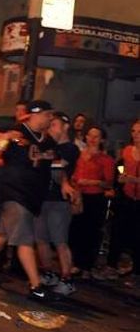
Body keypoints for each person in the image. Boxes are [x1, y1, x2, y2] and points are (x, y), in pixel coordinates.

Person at [0, 100, 57, 301]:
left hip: (32, 196)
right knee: (25, 241)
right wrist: (6, 137)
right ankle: (36, 286)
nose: (50, 119)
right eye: (47, 115)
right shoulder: (18, 131)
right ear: (36, 114)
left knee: (1, 234)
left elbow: (53, 165)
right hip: (15, 193)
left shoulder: (48, 141)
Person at [34, 111, 80, 296]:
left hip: (59, 201)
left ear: (65, 126)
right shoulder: (47, 145)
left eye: (54, 125)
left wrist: (44, 157)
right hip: (42, 198)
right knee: (41, 240)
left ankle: (67, 279)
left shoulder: (70, 148)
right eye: (49, 124)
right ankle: (49, 273)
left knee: (60, 241)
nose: (50, 128)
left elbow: (58, 167)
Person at [68, 125, 115, 279]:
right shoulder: (79, 155)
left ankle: (87, 265)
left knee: (92, 232)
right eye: (90, 135)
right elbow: (72, 175)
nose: (92, 139)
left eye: (96, 136)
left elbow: (109, 182)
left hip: (95, 199)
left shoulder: (106, 159)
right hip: (78, 196)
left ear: (102, 140)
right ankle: (76, 263)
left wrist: (92, 182)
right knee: (75, 230)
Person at [107, 119, 140, 284]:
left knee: (137, 236)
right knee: (118, 231)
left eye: (139, 132)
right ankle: (111, 266)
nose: (136, 135)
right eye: (133, 131)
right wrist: (121, 176)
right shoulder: (127, 151)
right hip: (126, 198)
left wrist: (135, 180)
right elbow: (121, 167)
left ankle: (136, 272)